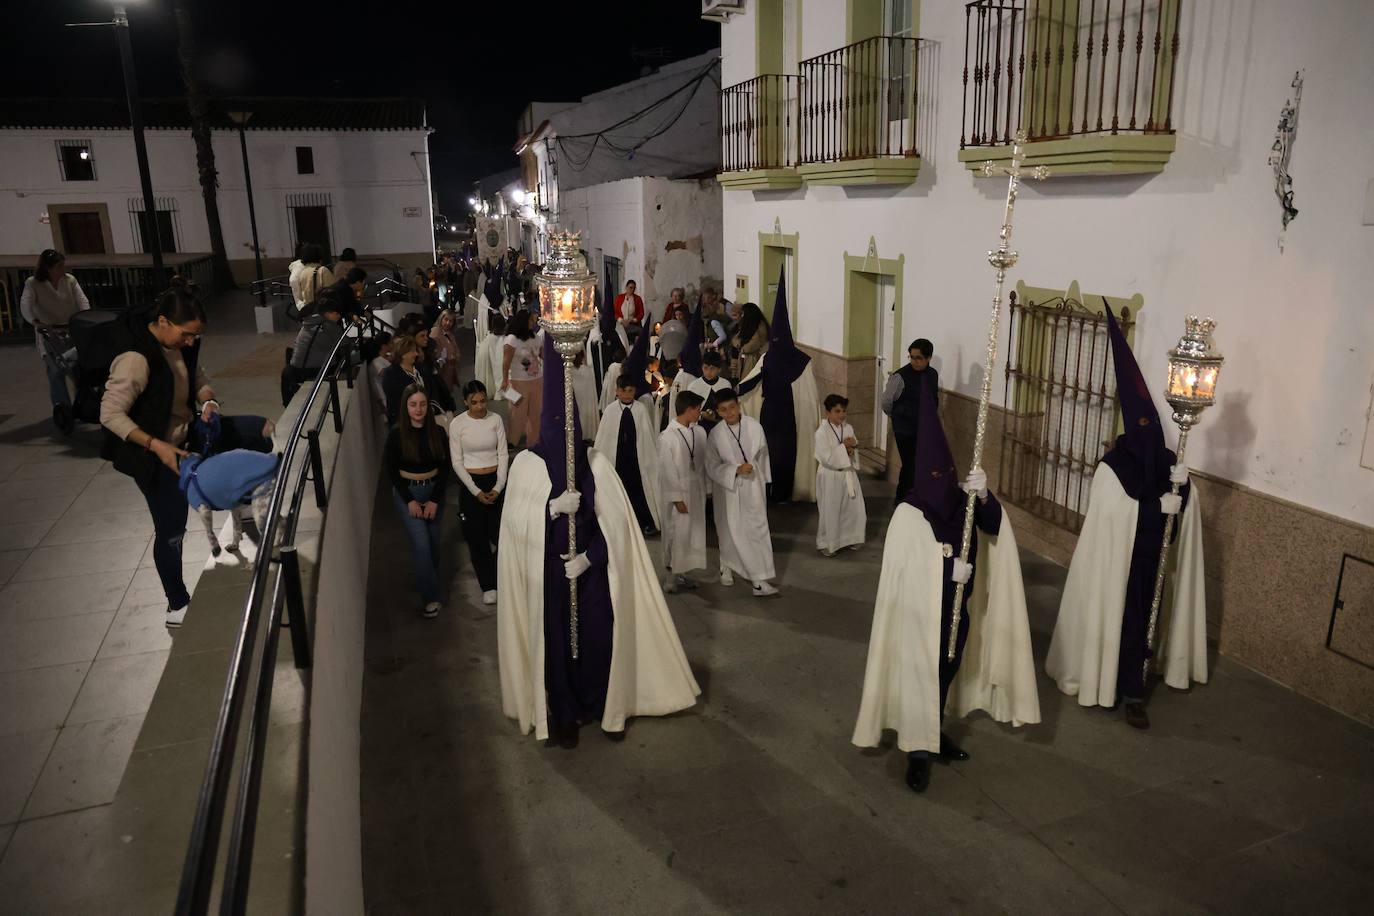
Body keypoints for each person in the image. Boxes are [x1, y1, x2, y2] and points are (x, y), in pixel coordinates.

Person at [496, 336, 700, 748]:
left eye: (570, 428)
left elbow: (618, 527)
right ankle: (564, 714)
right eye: (557, 427)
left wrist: (590, 558)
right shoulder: (527, 467)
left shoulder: (597, 465)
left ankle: (605, 704)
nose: (565, 437)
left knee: (599, 640)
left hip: (593, 576)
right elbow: (515, 527)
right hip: (548, 577)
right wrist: (550, 510)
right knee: (555, 647)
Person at [852, 371, 1040, 794]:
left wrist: (985, 495)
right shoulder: (908, 514)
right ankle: (917, 752)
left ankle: (932, 732)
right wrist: (946, 569)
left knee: (944, 673)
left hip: (957, 613)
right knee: (920, 675)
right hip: (918, 618)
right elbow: (902, 571)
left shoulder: (961, 502)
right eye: (933, 477)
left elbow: (993, 527)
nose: (941, 485)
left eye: (946, 475)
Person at [1045, 305, 1206, 731]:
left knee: (1144, 625)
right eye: (1143, 427)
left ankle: (1134, 688)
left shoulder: (1167, 461)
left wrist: (1185, 489)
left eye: (1154, 427)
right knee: (1121, 622)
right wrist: (1155, 508)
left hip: (1154, 563)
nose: (1150, 436)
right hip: (1120, 567)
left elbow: (1181, 516)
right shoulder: (1113, 467)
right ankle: (1115, 686)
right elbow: (1113, 517)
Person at [100, 281, 221, 628]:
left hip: (184, 440)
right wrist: (156, 445)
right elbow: (109, 414)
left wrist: (209, 401)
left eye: (196, 336)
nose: (191, 342)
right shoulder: (135, 358)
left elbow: (197, 378)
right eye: (186, 334)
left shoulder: (181, 346)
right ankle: (176, 604)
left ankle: (243, 506)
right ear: (164, 322)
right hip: (152, 455)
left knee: (251, 432)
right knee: (171, 528)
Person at [738, 273, 819, 503]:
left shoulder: (801, 362)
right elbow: (751, 382)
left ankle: (784, 492)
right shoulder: (771, 358)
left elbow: (808, 396)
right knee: (771, 454)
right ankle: (773, 491)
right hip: (772, 415)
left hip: (789, 417)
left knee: (786, 455)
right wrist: (736, 394)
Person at [384, 385, 450, 618]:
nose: (418, 409)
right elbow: (392, 471)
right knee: (421, 544)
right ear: (406, 407)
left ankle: (429, 580)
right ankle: (431, 597)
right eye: (413, 405)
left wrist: (434, 500)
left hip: (433, 491)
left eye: (422, 404)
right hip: (408, 493)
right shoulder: (396, 434)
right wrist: (410, 501)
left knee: (433, 544)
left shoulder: (438, 432)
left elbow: (445, 468)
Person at [707, 388, 779, 597]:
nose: (729, 413)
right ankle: (726, 565)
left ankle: (759, 579)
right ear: (717, 412)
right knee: (729, 530)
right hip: (728, 490)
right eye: (723, 410)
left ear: (738, 405)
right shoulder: (716, 434)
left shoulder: (754, 427)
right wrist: (735, 470)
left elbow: (763, 456)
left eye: (732, 407)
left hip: (753, 486)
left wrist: (765, 481)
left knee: (756, 530)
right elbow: (711, 465)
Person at [449, 380, 508, 606]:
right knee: (477, 539)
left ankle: (498, 576)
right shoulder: (458, 424)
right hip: (471, 483)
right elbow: (457, 461)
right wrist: (475, 491)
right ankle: (488, 585)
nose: (480, 406)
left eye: (483, 401)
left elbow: (503, 454)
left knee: (502, 535)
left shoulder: (495, 420)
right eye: (474, 402)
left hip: (495, 480)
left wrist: (498, 486)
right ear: (465, 402)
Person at [19, 249, 91, 408]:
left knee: (78, 370)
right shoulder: (33, 283)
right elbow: (25, 305)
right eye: (59, 266)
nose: (62, 269)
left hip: (70, 329)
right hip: (49, 332)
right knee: (56, 372)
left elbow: (82, 300)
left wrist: (85, 318)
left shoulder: (69, 280)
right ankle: (62, 407)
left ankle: (82, 404)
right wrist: (35, 322)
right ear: (47, 268)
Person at [593, 374, 662, 536]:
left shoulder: (640, 410)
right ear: (617, 391)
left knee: (639, 491)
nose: (627, 394)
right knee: (618, 491)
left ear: (635, 391)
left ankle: (644, 522)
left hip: (637, 459)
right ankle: (617, 523)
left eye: (630, 391)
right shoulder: (610, 411)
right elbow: (604, 439)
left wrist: (649, 459)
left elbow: (647, 438)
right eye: (623, 391)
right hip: (617, 460)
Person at [657, 390, 708, 594]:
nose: (700, 413)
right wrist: (676, 498)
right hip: (678, 492)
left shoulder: (699, 432)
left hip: (695, 490)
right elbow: (667, 470)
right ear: (688, 410)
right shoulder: (668, 437)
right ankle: (671, 576)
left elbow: (702, 462)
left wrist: (706, 489)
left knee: (691, 534)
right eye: (698, 409)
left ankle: (684, 572)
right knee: (675, 533)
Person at [882, 338, 939, 505]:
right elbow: (886, 401)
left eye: (918, 358)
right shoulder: (900, 376)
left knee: (920, 463)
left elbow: (933, 398)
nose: (914, 361)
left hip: (924, 427)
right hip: (905, 429)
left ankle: (915, 497)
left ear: (928, 358)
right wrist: (898, 415)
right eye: (912, 357)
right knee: (910, 464)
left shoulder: (932, 374)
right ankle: (902, 499)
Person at [815, 394, 866, 556]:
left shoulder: (848, 428)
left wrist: (852, 449)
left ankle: (850, 538)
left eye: (844, 411)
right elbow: (827, 458)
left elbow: (853, 446)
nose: (841, 415)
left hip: (848, 474)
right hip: (830, 475)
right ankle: (827, 543)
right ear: (828, 413)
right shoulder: (821, 433)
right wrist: (844, 447)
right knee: (831, 509)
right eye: (837, 411)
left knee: (853, 508)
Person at [281, 292, 349, 406]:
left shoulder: (308, 321)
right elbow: (345, 343)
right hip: (314, 369)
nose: (339, 316)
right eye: (336, 313)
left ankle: (288, 403)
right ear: (327, 313)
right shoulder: (329, 326)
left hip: (295, 368)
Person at [500, 310, 545, 446]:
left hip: (537, 380)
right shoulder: (512, 339)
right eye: (531, 320)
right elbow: (506, 361)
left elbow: (543, 355)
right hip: (519, 381)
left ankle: (533, 440)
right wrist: (505, 379)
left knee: (536, 412)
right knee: (517, 412)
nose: (534, 323)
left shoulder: (535, 337)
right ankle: (512, 440)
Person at [381, 336, 434, 426]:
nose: (416, 354)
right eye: (412, 351)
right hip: (404, 422)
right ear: (403, 354)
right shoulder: (390, 374)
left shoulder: (420, 368)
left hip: (425, 418)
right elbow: (395, 400)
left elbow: (431, 388)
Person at [687, 351, 733, 434]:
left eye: (712, 368)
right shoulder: (694, 386)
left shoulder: (725, 385)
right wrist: (701, 414)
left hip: (722, 427)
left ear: (719, 369)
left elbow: (730, 408)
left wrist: (716, 416)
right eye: (705, 368)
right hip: (699, 428)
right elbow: (688, 411)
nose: (708, 372)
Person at [290, 244, 334, 315]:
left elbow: (300, 297)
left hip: (309, 313)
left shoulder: (303, 273)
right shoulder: (323, 271)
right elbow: (333, 291)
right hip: (324, 313)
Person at [732, 302, 769, 376]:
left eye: (743, 314)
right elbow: (735, 339)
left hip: (753, 361)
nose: (741, 316)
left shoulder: (760, 328)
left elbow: (751, 346)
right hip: (745, 360)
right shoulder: (748, 325)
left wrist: (742, 347)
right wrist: (740, 344)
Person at [430, 309, 461, 391]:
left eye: (451, 321)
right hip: (441, 371)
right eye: (446, 319)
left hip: (449, 370)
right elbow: (433, 353)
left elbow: (455, 348)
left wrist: (456, 356)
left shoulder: (450, 334)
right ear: (441, 319)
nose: (448, 323)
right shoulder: (435, 332)